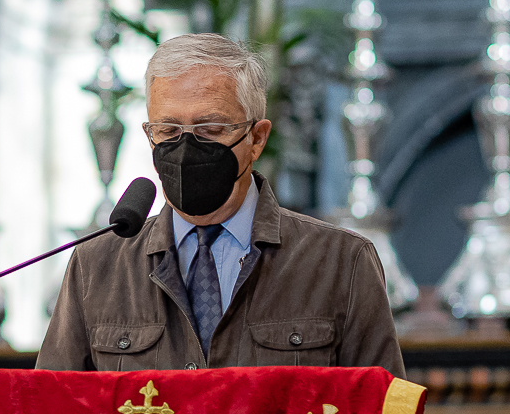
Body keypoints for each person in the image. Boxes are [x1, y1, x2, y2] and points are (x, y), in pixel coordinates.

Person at [35, 33, 405, 378]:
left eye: (210, 129)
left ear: (256, 138)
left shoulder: (341, 263)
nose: (185, 149)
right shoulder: (96, 266)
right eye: (168, 131)